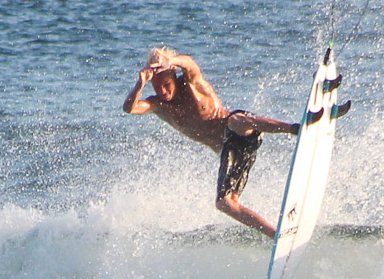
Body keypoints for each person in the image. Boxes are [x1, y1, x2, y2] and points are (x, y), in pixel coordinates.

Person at [122, 46, 298, 238]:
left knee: (235, 121)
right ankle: (278, 235)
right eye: (157, 87)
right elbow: (130, 108)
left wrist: (170, 61)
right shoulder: (158, 105)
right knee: (224, 203)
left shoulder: (191, 83)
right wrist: (140, 84)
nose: (163, 91)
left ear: (173, 76)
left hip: (242, 130)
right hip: (230, 151)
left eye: (166, 84)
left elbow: (190, 64)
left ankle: (294, 129)